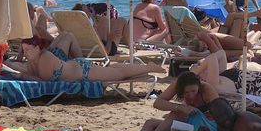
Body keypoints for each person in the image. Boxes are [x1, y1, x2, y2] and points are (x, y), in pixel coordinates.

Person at [115, 71, 218, 131]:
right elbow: (157, 103)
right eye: (186, 93)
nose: (190, 95)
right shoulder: (178, 84)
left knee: (175, 114)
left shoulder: (206, 90)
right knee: (150, 123)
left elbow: (220, 114)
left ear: (199, 87)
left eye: (194, 91)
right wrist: (182, 107)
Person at [10, 34, 163, 83]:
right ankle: (145, 67)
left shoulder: (45, 58)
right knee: (111, 70)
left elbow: (43, 81)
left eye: (28, 50)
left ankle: (149, 67)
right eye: (24, 51)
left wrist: (23, 75)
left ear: (37, 48)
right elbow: (19, 67)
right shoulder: (34, 59)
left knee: (119, 75)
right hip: (77, 68)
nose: (26, 53)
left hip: (83, 71)